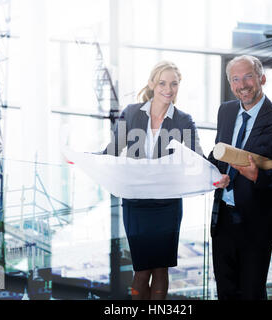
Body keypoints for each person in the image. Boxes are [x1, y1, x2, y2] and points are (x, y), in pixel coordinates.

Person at [208, 55, 272, 300]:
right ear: (231, 84)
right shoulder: (226, 111)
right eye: (236, 79)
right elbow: (219, 154)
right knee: (226, 291)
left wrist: (258, 176)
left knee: (252, 293)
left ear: (262, 78)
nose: (242, 84)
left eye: (248, 76)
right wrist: (211, 171)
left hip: (257, 222)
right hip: (223, 220)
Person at [104, 61, 203, 300]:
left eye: (174, 84)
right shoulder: (131, 113)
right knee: (141, 270)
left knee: (160, 267)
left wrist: (216, 175)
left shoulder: (183, 120)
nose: (168, 89)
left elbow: (197, 159)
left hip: (167, 205)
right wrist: (84, 160)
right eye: (162, 83)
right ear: (151, 84)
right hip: (136, 204)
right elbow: (112, 151)